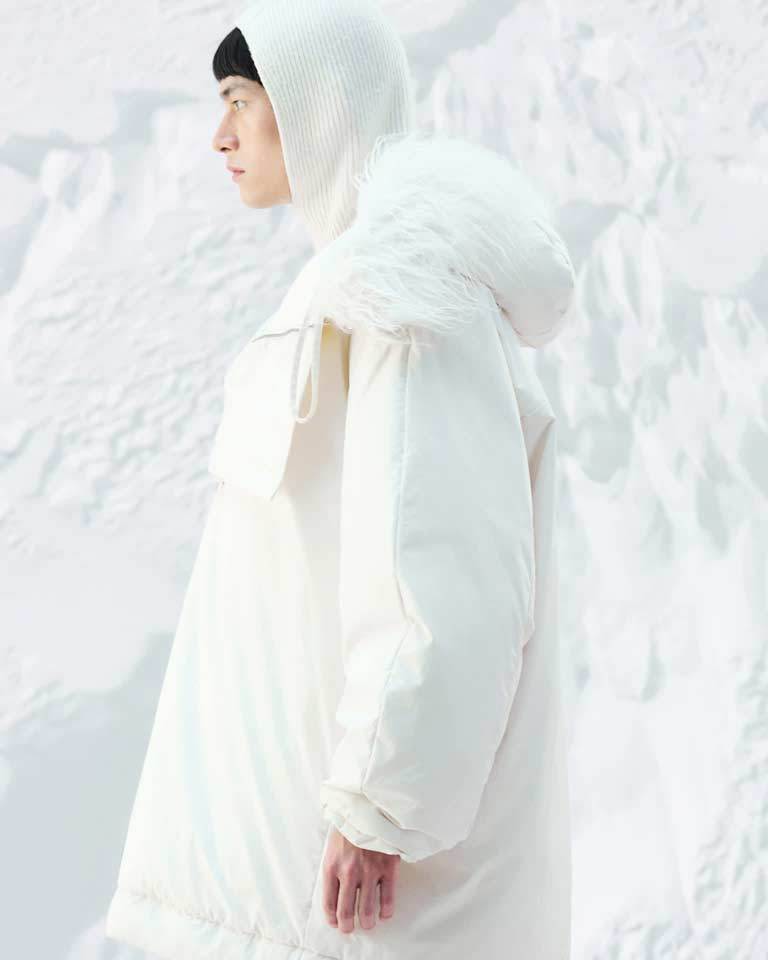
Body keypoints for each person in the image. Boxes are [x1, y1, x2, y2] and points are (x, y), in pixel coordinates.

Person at [104, 1, 576, 958]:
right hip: (300, 883)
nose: (220, 134)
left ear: (313, 106)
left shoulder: (406, 297)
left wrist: (378, 805)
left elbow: (442, 575)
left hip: (369, 904)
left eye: (241, 101)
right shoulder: (355, 287)